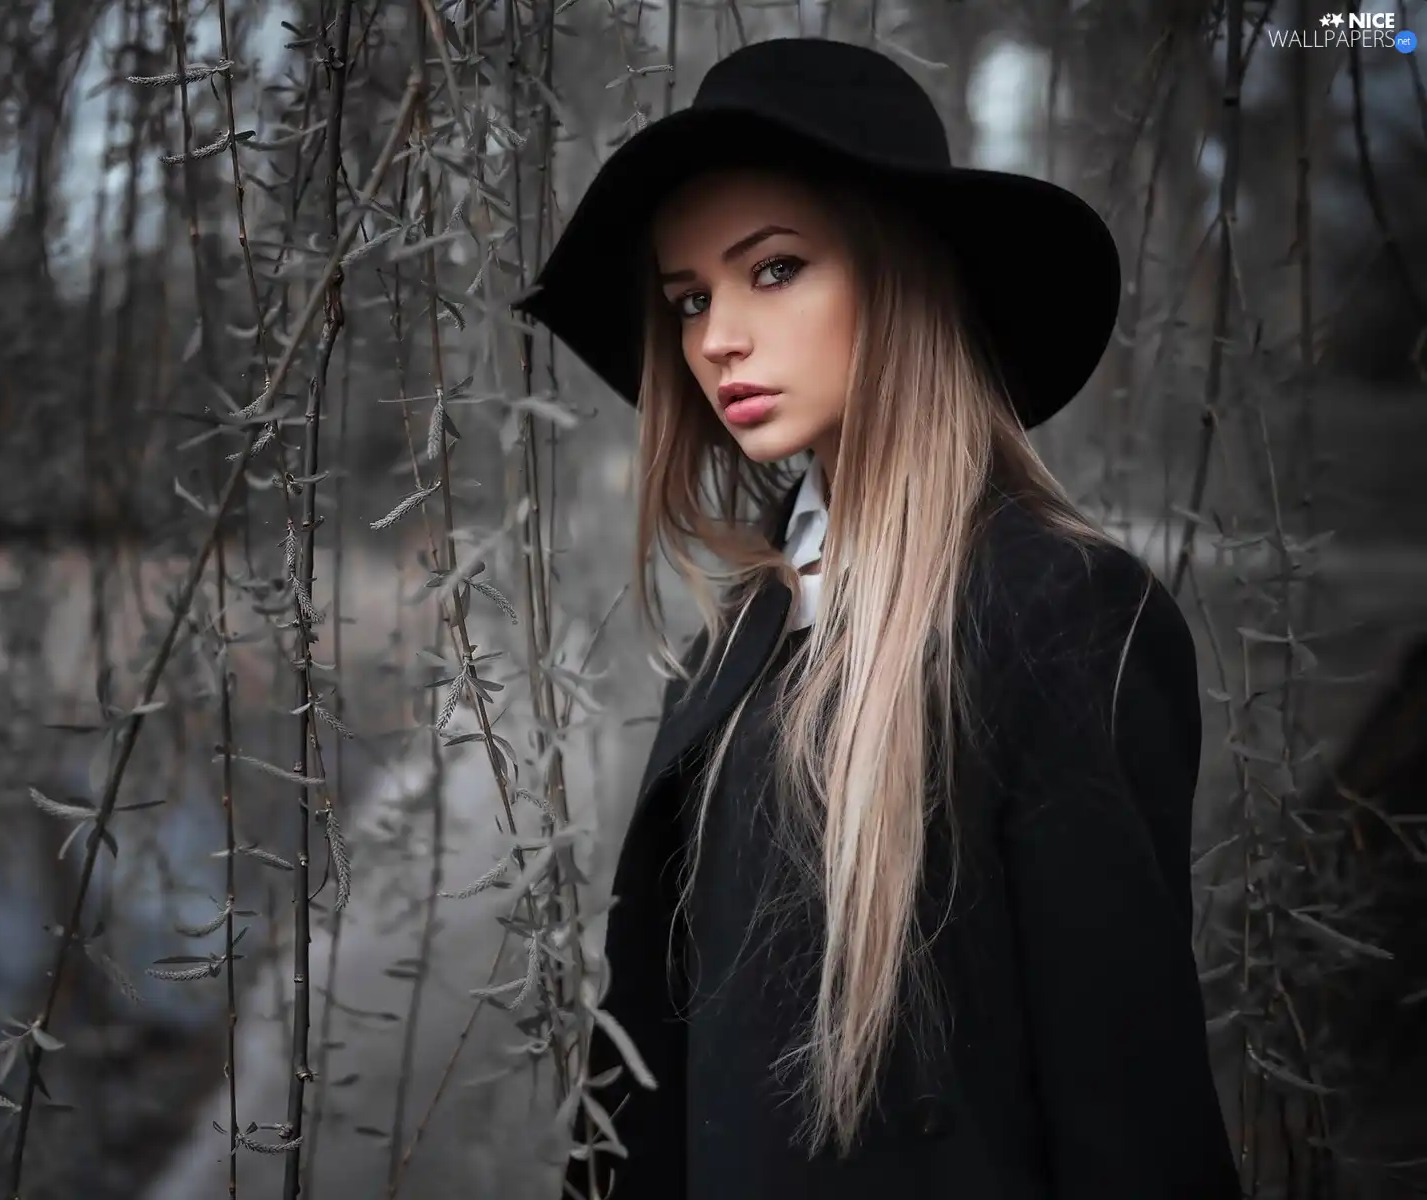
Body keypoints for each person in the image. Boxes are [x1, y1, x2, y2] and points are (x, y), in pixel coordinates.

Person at [512, 37, 1243, 1200]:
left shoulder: (1061, 615)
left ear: (902, 274)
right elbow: (658, 1058)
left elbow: (1130, 1108)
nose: (716, 338)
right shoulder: (735, 639)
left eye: (775, 268)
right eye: (690, 298)